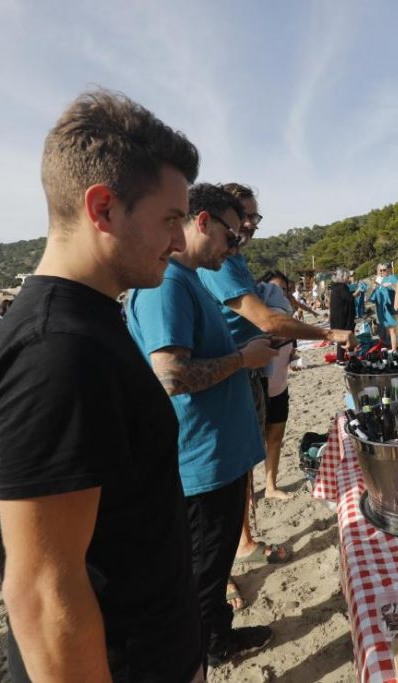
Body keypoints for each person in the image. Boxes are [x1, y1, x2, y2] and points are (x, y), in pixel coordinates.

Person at [0, 89, 205, 683]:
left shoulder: (91, 320)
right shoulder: (56, 352)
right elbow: (42, 594)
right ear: (103, 208)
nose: (180, 242)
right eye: (170, 219)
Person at [127, 183, 277, 668]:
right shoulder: (168, 284)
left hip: (217, 459)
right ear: (204, 221)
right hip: (201, 463)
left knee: (212, 564)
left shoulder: (188, 280)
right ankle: (209, 647)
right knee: (203, 569)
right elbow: (170, 375)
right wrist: (243, 359)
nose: (234, 248)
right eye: (231, 236)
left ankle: (216, 635)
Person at [198, 183, 356, 567]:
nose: (249, 224)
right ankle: (228, 562)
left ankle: (243, 542)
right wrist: (328, 333)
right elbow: (266, 319)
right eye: (242, 216)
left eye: (254, 217)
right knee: (223, 477)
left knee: (241, 467)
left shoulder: (235, 260)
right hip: (225, 376)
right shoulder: (219, 264)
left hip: (247, 371)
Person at [256, 269, 297, 500]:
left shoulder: (289, 321)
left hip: (280, 387)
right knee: (251, 446)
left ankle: (270, 486)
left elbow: (290, 350)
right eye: (275, 289)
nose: (280, 294)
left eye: (284, 290)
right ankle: (248, 494)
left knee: (275, 438)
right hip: (256, 389)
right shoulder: (256, 322)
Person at [369, 262, 398, 350]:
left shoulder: (393, 278)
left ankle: (394, 350)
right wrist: (373, 288)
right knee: (387, 330)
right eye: (380, 270)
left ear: (389, 269)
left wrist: (391, 285)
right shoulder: (380, 280)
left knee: (392, 330)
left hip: (391, 310)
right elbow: (372, 297)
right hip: (382, 310)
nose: (381, 272)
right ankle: (389, 347)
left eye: (384, 270)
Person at [327, 269, 356, 362]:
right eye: (347, 277)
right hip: (342, 318)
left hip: (338, 317)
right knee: (344, 337)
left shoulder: (336, 287)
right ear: (342, 277)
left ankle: (351, 356)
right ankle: (340, 359)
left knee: (346, 337)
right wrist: (358, 291)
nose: (348, 278)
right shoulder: (341, 287)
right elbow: (349, 298)